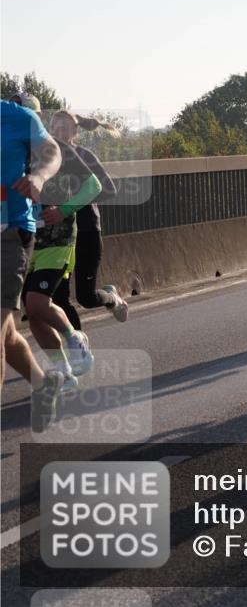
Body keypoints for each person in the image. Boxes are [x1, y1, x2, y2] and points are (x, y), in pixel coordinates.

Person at [23, 113, 104, 390]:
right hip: (23, 239)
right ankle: (63, 370)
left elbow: (95, 185)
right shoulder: (10, 150)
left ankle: (74, 338)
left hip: (58, 239)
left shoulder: (58, 149)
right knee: (33, 313)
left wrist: (65, 210)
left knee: (36, 302)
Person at [1, 94, 66, 430]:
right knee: (7, 334)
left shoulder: (17, 115)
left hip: (9, 231)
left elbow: (52, 151)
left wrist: (39, 176)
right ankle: (44, 384)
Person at [47, 110, 129, 327]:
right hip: (60, 236)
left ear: (75, 131)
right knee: (60, 299)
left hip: (86, 231)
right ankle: (79, 352)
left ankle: (111, 297)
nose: (58, 132)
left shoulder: (84, 156)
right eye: (54, 128)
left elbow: (109, 190)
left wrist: (73, 202)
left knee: (86, 297)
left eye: (63, 128)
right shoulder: (45, 158)